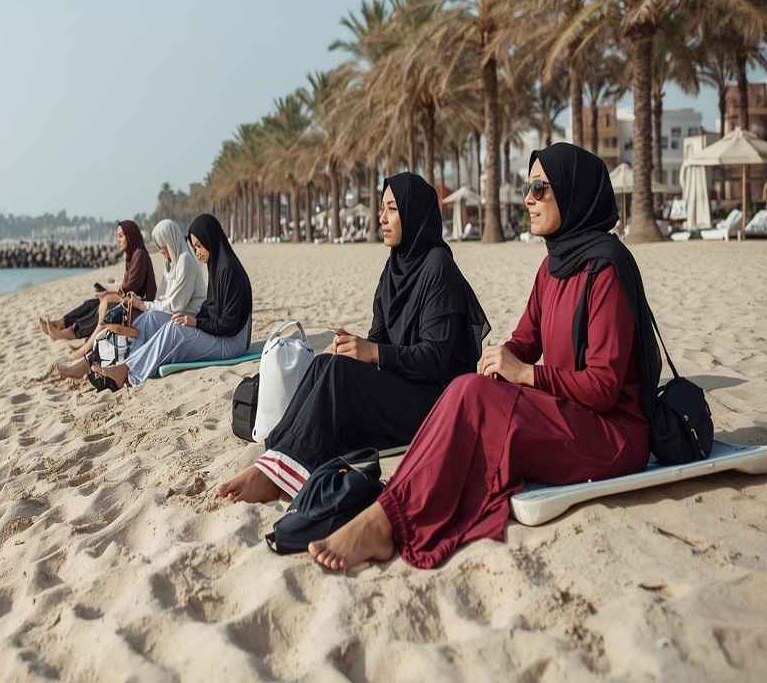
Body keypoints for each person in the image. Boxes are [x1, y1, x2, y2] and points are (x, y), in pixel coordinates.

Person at [308, 143, 656, 571]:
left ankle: (384, 525)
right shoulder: (552, 268)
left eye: (538, 187)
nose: (527, 198)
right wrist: (501, 360)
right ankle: (388, 511)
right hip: (569, 411)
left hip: (612, 436)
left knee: (471, 395)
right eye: (526, 187)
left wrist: (526, 374)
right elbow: (524, 342)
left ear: (573, 191)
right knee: (466, 387)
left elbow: (603, 388)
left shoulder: (606, 269)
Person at [217, 172, 489, 503]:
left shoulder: (438, 268)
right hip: (403, 385)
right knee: (324, 364)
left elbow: (436, 359)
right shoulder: (395, 268)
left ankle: (276, 474)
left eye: (391, 209)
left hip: (434, 403)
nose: (381, 218)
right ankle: (275, 455)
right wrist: (356, 349)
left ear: (414, 212)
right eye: (382, 208)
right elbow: (380, 340)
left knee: (335, 374)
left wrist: (372, 352)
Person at [89, 214, 252, 391]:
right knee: (162, 322)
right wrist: (194, 321)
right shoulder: (218, 266)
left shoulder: (229, 271)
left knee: (174, 330)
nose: (197, 252)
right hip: (220, 333)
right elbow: (211, 308)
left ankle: (128, 371)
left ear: (210, 239)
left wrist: (196, 322)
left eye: (199, 246)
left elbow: (230, 325)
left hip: (232, 344)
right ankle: (124, 367)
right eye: (194, 246)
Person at [50, 218, 206, 379]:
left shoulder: (185, 262)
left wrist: (142, 304)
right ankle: (89, 362)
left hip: (185, 320)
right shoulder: (173, 263)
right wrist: (141, 303)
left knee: (130, 322)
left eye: (161, 245)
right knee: (117, 320)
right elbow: (163, 298)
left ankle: (89, 363)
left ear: (171, 241)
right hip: (169, 314)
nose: (160, 250)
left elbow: (176, 305)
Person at [39, 220, 156, 342]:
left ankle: (69, 332)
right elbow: (129, 286)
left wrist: (109, 289)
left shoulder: (139, 255)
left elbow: (130, 288)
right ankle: (61, 323)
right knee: (91, 303)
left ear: (131, 236)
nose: (118, 240)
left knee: (103, 306)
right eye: (117, 236)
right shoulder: (133, 255)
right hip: (132, 300)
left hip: (140, 306)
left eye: (121, 236)